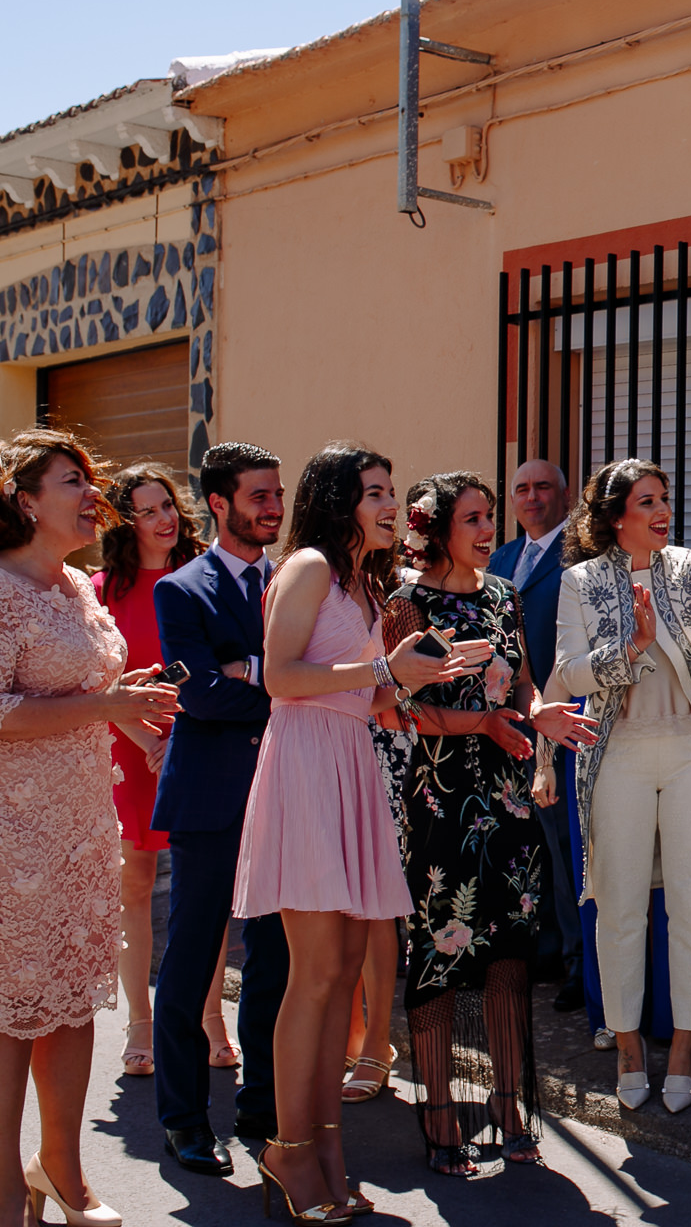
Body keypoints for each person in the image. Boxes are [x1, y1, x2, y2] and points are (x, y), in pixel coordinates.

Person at [231, 443, 478, 1224]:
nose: (388, 504)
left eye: (392, 491)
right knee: (313, 974)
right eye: (374, 491)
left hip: (347, 765)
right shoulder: (305, 567)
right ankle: (288, 1150)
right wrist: (381, 673)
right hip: (306, 767)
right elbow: (280, 679)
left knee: (341, 972)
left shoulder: (363, 588)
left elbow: (367, 702)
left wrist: (420, 678)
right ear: (339, 500)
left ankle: (328, 1148)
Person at [389, 472, 595, 1175]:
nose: (487, 530)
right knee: (438, 961)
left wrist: (540, 714)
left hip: (507, 799)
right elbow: (399, 710)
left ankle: (510, 1104)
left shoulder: (505, 594)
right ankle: (441, 1112)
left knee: (511, 955)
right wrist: (479, 721)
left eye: (489, 517)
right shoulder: (406, 602)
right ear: (438, 527)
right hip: (441, 801)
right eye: (473, 518)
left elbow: (527, 679)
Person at [1, 427, 179, 1227]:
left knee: (73, 1001)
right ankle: (6, 1187)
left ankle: (62, 1173)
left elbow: (91, 692)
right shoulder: (2, 590)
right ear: (26, 501)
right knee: (11, 1010)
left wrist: (134, 714)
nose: (90, 493)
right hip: (13, 833)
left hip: (80, 824)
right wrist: (108, 705)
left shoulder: (79, 587)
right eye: (72, 480)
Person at [540, 459, 691, 1115]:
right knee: (619, 907)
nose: (663, 512)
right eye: (647, 501)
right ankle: (628, 1047)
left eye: (665, 499)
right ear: (614, 516)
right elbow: (569, 676)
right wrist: (627, 652)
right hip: (616, 753)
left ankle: (684, 1047)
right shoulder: (579, 581)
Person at [150, 442, 290, 1177]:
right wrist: (282, 681)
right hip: (209, 799)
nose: (273, 507)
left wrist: (252, 671)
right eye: (258, 496)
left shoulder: (293, 581)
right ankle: (182, 1120)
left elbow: (306, 680)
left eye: (277, 494)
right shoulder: (182, 589)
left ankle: (262, 1111)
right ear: (219, 503)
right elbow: (199, 694)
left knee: (273, 960)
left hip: (283, 795)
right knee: (192, 957)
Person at [91, 463, 235, 1081]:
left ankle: (210, 1021)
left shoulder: (205, 573)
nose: (164, 518)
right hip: (129, 748)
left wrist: (176, 740)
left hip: (199, 740)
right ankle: (140, 1024)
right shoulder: (101, 589)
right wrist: (148, 739)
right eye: (147, 510)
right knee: (136, 880)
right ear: (127, 522)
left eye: (168, 504)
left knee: (206, 887)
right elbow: (95, 681)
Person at [488, 459, 587, 1014]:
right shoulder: (501, 558)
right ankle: (543, 950)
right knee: (524, 848)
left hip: (561, 722)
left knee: (566, 845)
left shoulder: (581, 555)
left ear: (564, 495)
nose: (531, 496)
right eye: (521, 488)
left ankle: (577, 963)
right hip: (506, 729)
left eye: (542, 486)